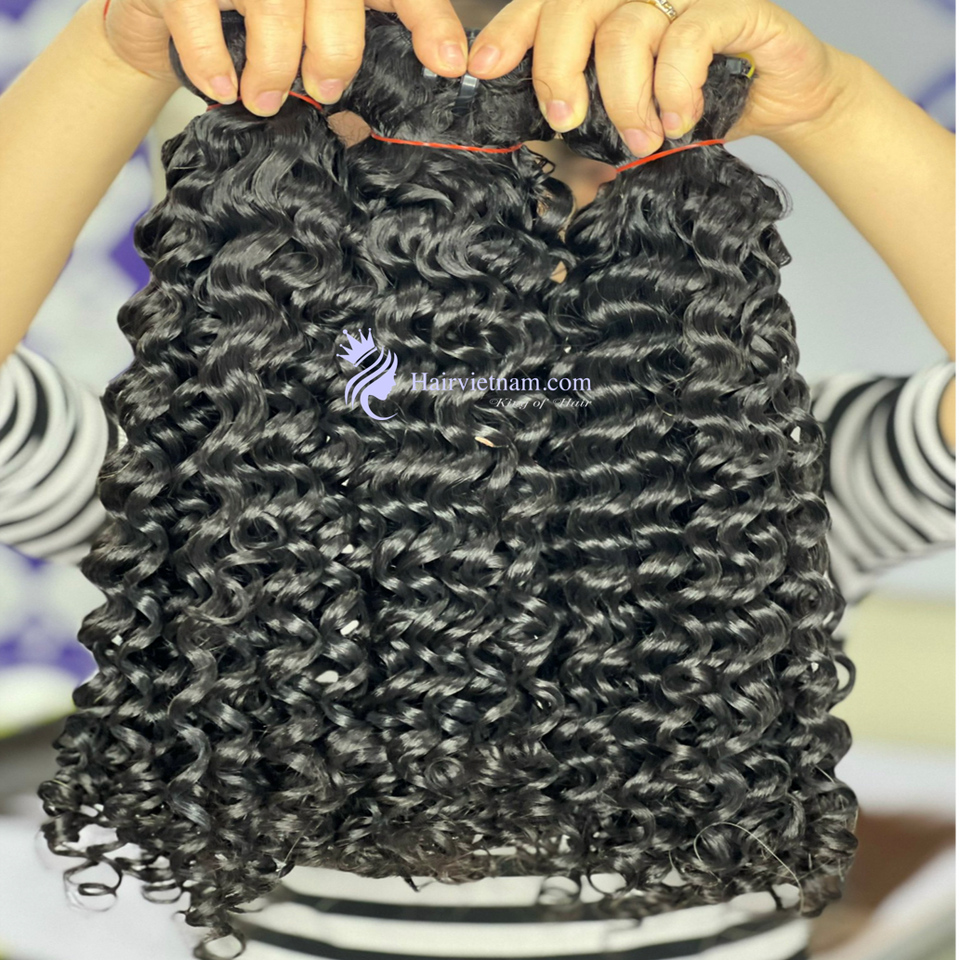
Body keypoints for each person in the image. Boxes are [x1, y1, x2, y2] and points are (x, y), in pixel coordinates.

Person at [0, 1, 956, 959]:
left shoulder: (764, 477)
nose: (478, 253)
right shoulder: (208, 483)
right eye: (409, 198)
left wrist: (835, 106)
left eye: (545, 181)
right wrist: (112, 56)